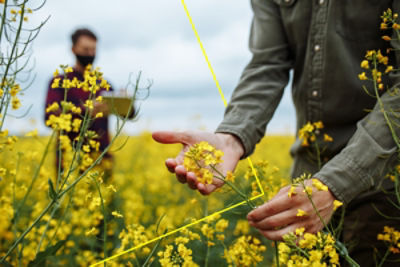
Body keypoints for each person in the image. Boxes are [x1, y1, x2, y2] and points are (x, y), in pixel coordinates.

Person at [152, 1, 400, 266]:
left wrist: (337, 182)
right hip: (305, 184)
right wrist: (231, 137)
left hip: (385, 186)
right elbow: (267, 64)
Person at [44, 28, 113, 173]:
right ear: (73, 49)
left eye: (93, 49)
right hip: (69, 160)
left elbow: (128, 114)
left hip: (101, 159)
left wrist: (127, 102)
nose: (90, 54)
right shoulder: (60, 81)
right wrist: (86, 110)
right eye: (86, 49)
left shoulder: (103, 84)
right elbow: (49, 118)